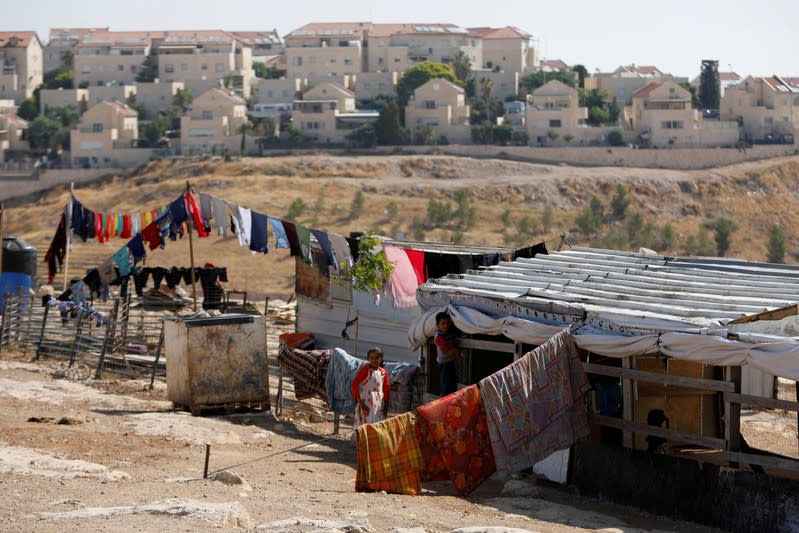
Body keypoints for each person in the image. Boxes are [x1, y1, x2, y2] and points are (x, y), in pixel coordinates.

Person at [350, 347, 390, 432]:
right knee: (365, 424)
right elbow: (354, 384)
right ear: (368, 359)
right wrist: (360, 403)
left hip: (378, 404)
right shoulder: (365, 370)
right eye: (371, 358)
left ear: (381, 359)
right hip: (366, 403)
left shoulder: (383, 373)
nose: (374, 360)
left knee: (377, 424)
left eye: (377, 358)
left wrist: (386, 406)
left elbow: (386, 389)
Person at [434, 312, 459, 396]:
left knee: (452, 385)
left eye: (447, 323)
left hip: (450, 362)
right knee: (446, 386)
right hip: (444, 364)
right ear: (437, 325)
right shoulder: (438, 337)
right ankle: (443, 403)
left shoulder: (446, 334)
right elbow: (450, 351)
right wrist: (454, 351)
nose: (445, 326)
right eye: (443, 323)